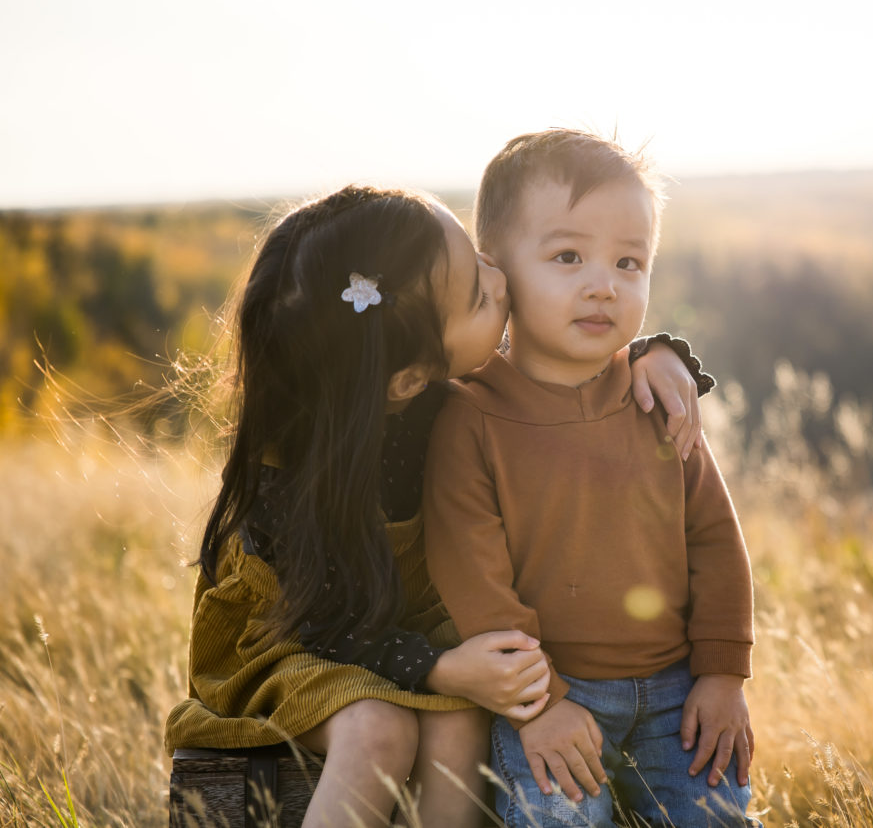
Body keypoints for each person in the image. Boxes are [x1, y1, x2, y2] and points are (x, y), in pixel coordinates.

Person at [163, 184, 712, 828]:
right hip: (298, 641)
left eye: (481, 258)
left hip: (402, 628)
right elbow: (325, 627)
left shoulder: (448, 383)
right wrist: (440, 668)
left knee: (456, 725)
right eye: (480, 294)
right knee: (379, 732)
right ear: (409, 379)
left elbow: (570, 356)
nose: (499, 277)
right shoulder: (292, 482)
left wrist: (657, 351)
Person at [424, 130, 758, 828]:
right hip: (553, 696)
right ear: (497, 270)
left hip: (678, 694)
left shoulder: (657, 397)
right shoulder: (471, 415)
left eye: (629, 262)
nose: (603, 283)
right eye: (568, 256)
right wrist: (541, 704)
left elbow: (717, 541)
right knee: (559, 819)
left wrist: (723, 675)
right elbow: (474, 579)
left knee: (716, 817)